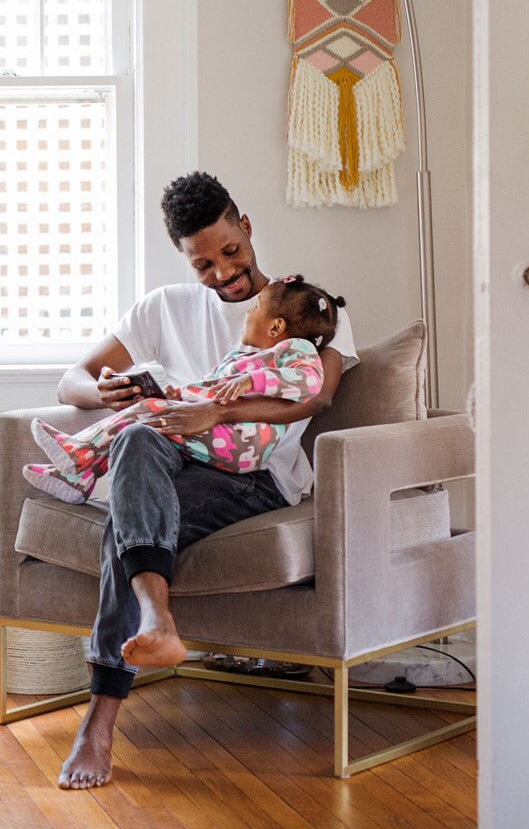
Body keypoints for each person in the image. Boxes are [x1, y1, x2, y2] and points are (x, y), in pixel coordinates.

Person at [48, 172, 355, 790]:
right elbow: (70, 380)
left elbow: (313, 398)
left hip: (255, 475)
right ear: (185, 259)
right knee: (136, 436)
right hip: (175, 455)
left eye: (230, 253)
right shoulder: (163, 307)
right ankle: (156, 619)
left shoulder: (303, 307)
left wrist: (221, 411)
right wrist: (103, 391)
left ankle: (100, 719)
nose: (222, 273)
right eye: (203, 264)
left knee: (126, 524)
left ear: (247, 227)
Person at [23, 276, 346, 504]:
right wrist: (171, 396)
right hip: (227, 435)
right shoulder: (241, 357)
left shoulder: (294, 349)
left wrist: (251, 382)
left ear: (275, 327)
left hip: (243, 443)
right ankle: (80, 475)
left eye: (254, 308)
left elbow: (308, 384)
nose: (247, 313)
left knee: (145, 417)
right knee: (144, 413)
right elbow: (208, 391)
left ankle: (79, 452)